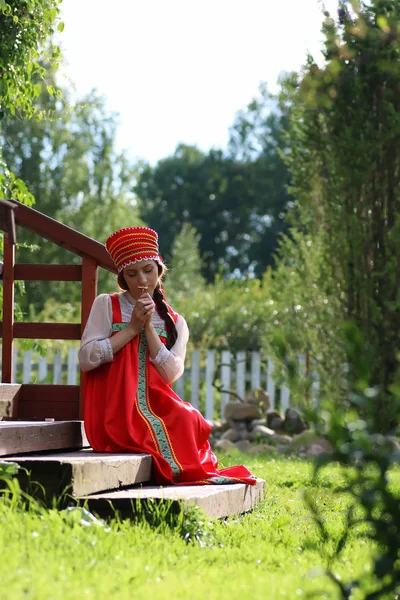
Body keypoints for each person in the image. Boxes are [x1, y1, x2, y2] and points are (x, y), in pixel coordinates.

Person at [79, 226, 256, 487]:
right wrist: (131, 329)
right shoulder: (107, 304)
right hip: (114, 408)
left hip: (157, 403)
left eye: (148, 270)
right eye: (132, 273)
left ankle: (183, 471)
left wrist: (148, 327)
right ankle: (175, 470)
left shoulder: (175, 321)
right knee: (149, 427)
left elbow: (171, 374)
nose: (142, 280)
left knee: (188, 418)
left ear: (159, 270)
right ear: (122, 278)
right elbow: (85, 359)